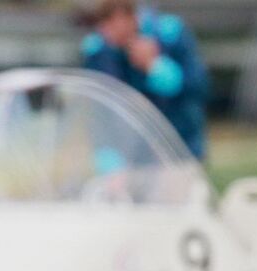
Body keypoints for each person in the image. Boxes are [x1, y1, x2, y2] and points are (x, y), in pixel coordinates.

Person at [82, 0, 210, 161]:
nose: (109, 32)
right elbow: (100, 110)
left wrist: (154, 66)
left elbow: (197, 88)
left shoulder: (170, 34)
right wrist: (110, 159)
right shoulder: (99, 51)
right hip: (130, 157)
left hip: (179, 147)